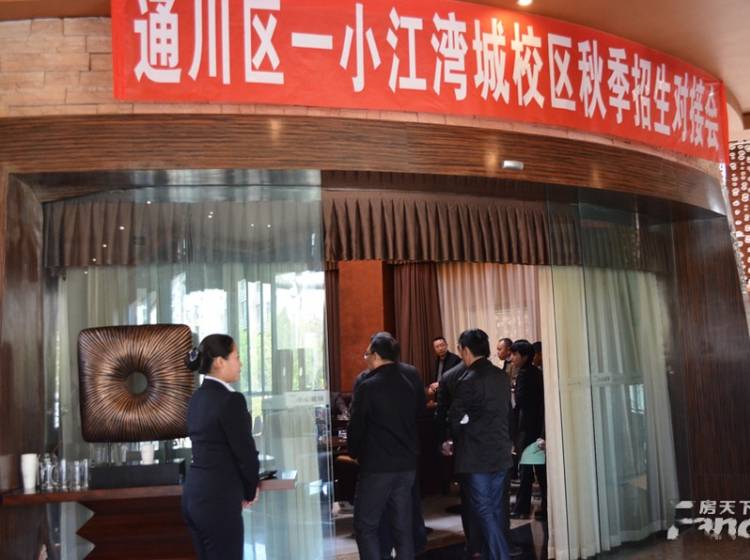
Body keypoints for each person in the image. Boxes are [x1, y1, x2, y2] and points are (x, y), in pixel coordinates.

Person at [348, 332, 426, 560]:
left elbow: (356, 426)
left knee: (365, 525)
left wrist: (354, 452)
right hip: (407, 464)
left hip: (378, 466)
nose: (366, 358)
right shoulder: (408, 383)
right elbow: (419, 414)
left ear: (376, 355)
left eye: (367, 354)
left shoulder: (368, 386)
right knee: (402, 527)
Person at [182, 334, 260, 560]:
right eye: (236, 357)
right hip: (218, 501)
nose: (240, 364)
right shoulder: (231, 400)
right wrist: (250, 490)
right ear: (219, 361)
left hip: (193, 496)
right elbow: (246, 454)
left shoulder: (196, 399)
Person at [448, 329, 513, 560]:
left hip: (476, 456)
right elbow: (508, 413)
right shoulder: (501, 376)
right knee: (495, 509)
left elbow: (455, 419)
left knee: (484, 509)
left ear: (465, 350)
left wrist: (464, 424)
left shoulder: (467, 380)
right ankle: (496, 554)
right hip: (501, 451)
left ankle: (501, 556)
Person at [509, 340, 545, 519]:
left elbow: (520, 401)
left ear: (524, 356)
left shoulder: (524, 374)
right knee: (538, 469)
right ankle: (544, 507)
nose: (512, 358)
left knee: (525, 470)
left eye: (515, 355)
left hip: (526, 427)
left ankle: (522, 508)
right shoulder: (536, 372)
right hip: (536, 427)